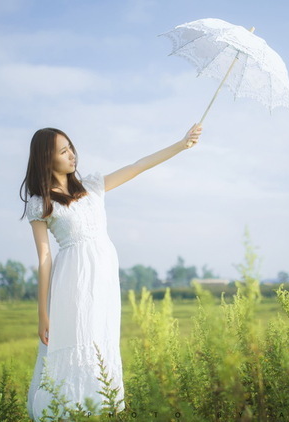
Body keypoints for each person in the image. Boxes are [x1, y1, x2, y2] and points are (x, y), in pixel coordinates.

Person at [20, 123, 202, 419]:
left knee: (100, 341)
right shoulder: (41, 202)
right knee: (77, 341)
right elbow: (44, 259)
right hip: (73, 281)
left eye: (71, 148)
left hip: (103, 280)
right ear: (46, 159)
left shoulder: (91, 187)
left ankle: (98, 409)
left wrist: (181, 144)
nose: (71, 155)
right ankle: (68, 411)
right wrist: (43, 314)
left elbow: (137, 166)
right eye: (63, 151)